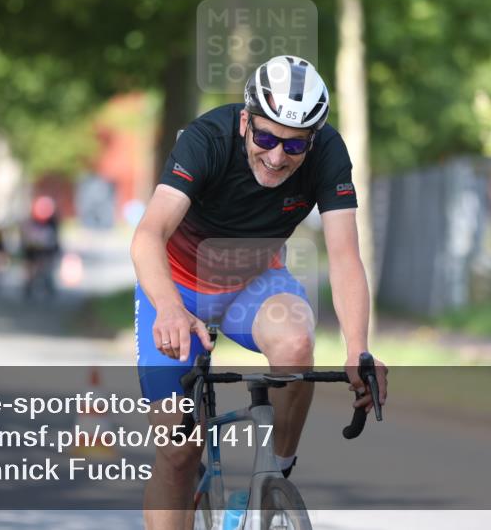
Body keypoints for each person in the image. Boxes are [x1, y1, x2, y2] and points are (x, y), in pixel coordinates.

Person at [130, 55, 388, 529]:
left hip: (252, 281)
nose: (276, 156)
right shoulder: (206, 139)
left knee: (296, 343)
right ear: (246, 120)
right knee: (178, 452)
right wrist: (167, 307)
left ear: (313, 139)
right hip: (176, 288)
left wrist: (358, 349)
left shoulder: (328, 152)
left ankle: (275, 478)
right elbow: (148, 234)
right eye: (265, 138)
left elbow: (345, 257)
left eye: (294, 146)